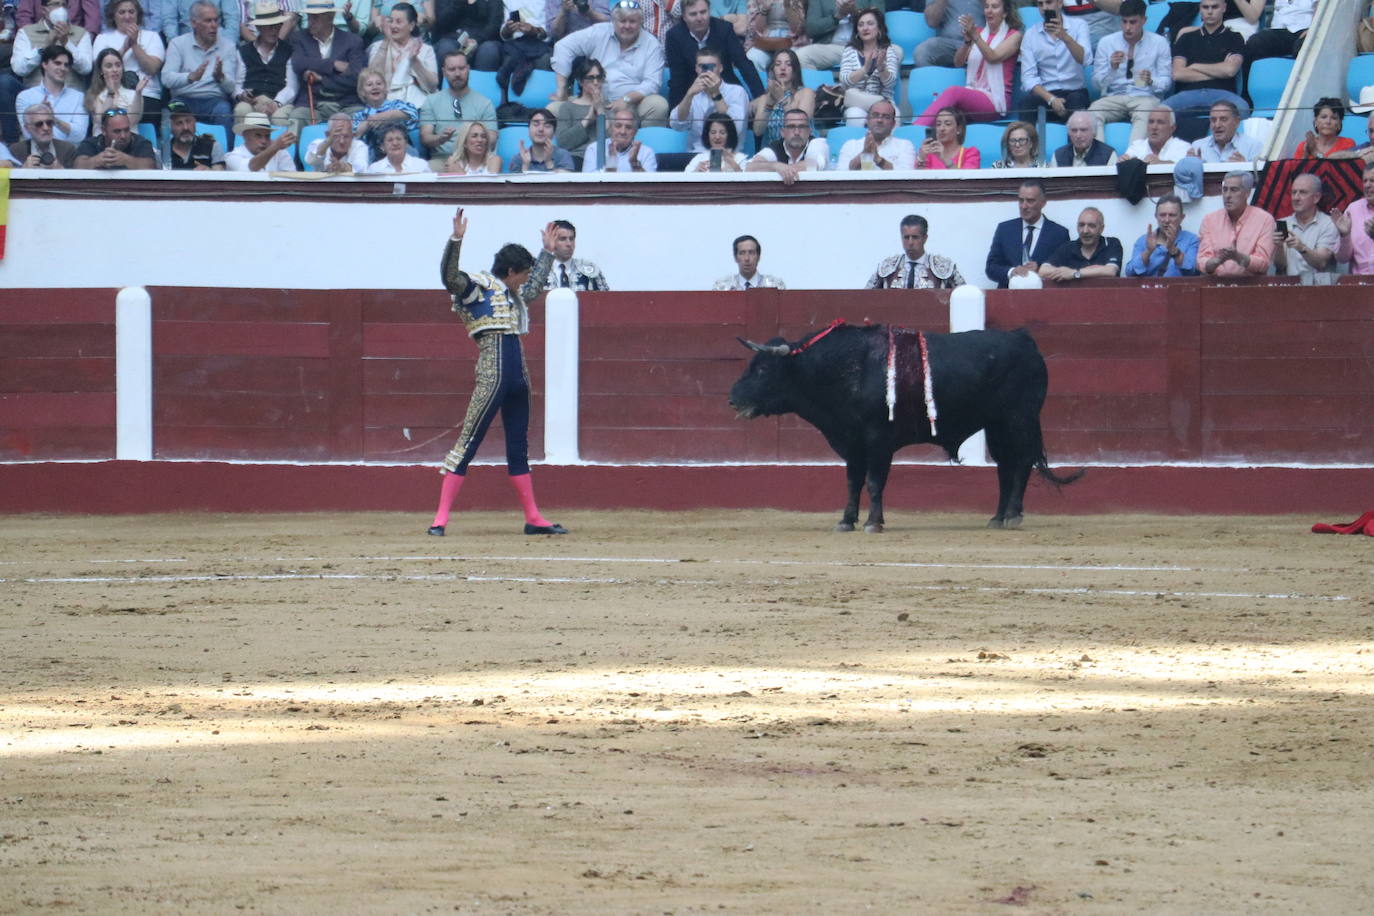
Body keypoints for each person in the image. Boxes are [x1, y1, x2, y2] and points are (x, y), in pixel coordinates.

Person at [428, 211, 569, 538]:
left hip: (517, 372)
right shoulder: (475, 287)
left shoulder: (515, 294)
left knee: (518, 446)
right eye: (523, 274)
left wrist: (547, 253)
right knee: (469, 441)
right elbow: (450, 277)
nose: (526, 281)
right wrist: (456, 241)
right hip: (492, 371)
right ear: (510, 272)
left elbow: (534, 287)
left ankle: (533, 517)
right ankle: (440, 519)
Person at [550, 0, 669, 127]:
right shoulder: (599, 31)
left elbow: (652, 83)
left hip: (632, 105)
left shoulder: (652, 45)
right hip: (592, 101)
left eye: (632, 21)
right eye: (622, 21)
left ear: (641, 22)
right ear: (613, 22)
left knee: (658, 104)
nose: (627, 26)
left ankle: (644, 146)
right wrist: (561, 89)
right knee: (553, 110)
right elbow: (563, 47)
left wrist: (626, 99)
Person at [912, 0, 1020, 126]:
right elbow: (958, 62)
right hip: (974, 93)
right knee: (948, 118)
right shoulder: (980, 33)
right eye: (986, 7)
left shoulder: (1014, 36)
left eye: (995, 7)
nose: (989, 11)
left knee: (953, 92)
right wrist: (967, 42)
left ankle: (918, 128)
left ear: (1005, 13)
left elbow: (992, 57)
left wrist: (975, 36)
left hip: (995, 101)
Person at [1087, 0, 1170, 142]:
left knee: (1145, 112)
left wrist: (1151, 81)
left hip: (1145, 96)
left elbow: (1167, 82)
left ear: (1144, 20)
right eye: (1124, 22)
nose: (1127, 27)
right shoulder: (1107, 42)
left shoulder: (1159, 43)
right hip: (1113, 96)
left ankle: (1132, 157)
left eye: (1133, 22)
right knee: (1092, 113)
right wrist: (1111, 69)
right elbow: (1096, 84)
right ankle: (1101, 158)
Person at [1164, 0, 1248, 136]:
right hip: (1187, 94)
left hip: (1223, 94)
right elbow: (1178, 74)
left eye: (1214, 7)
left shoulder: (1235, 37)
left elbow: (1230, 70)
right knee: (1160, 112)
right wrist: (1219, 70)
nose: (1209, 11)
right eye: (1205, 7)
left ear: (1224, 8)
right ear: (1200, 9)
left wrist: (1195, 66)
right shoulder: (1186, 38)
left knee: (1242, 108)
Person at [665, 0, 761, 106]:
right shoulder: (674, 36)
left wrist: (760, 97)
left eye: (703, 12)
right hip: (692, 92)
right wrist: (674, 113)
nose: (699, 18)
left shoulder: (724, 29)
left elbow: (744, 64)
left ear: (709, 11)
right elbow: (677, 79)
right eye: (693, 14)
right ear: (684, 17)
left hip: (725, 89)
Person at [288, 0, 367, 126]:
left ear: (330, 17)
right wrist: (333, 64)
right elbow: (299, 63)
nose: (310, 22)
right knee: (296, 117)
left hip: (346, 104)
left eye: (315, 18)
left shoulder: (353, 41)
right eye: (309, 17)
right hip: (312, 104)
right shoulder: (299, 38)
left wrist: (321, 79)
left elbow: (356, 78)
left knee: (361, 117)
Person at [163, 0, 241, 128]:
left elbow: (231, 88)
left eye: (216, 20)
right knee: (174, 109)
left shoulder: (228, 46)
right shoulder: (177, 44)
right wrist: (190, 77)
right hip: (183, 98)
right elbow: (166, 79)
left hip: (214, 101)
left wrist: (220, 77)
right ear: (194, 23)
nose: (214, 25)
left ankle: (227, 149)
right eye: (208, 21)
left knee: (224, 111)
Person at [985, 178, 1070, 287]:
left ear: (1043, 203)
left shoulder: (1059, 234)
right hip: (1008, 298)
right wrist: (1011, 271)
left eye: (1030, 201)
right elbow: (991, 267)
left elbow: (1064, 271)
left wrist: (1040, 269)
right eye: (1021, 200)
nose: (1024, 206)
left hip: (1045, 298)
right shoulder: (1005, 230)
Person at [91, 0, 165, 125]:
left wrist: (134, 45)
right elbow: (100, 69)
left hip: (147, 95)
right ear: (113, 16)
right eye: (122, 12)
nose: (127, 16)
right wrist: (124, 48)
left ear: (138, 15)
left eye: (131, 12)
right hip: (112, 95)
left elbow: (152, 68)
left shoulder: (152, 36)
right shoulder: (102, 39)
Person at [419, 50, 498, 167]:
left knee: (494, 162)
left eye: (461, 68)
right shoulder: (431, 101)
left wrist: (470, 143)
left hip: (475, 160)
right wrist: (441, 139)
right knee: (425, 169)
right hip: (442, 160)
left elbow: (492, 138)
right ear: (444, 72)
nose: (457, 74)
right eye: (452, 69)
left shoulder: (484, 103)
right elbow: (425, 138)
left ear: (468, 69)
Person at [1019, 0, 1090, 124]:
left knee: (1077, 100)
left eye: (1049, 2)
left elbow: (1085, 60)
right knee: (1026, 103)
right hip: (1046, 94)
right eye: (1040, 4)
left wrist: (1064, 36)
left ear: (1060, 3)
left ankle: (1074, 143)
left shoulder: (1079, 25)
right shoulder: (1031, 35)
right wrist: (1051, 99)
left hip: (1075, 91)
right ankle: (1028, 142)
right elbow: (1028, 78)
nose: (1044, 8)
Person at [233, 0, 297, 128]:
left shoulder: (289, 50)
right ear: (258, 27)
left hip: (279, 101)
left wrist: (276, 103)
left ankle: (281, 147)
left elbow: (292, 86)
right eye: (270, 26)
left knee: (279, 117)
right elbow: (237, 85)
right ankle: (243, 146)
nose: (274, 30)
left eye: (277, 25)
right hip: (253, 101)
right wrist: (242, 95)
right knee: (241, 109)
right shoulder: (243, 51)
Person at [1198, 169, 1274, 276]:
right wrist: (1218, 260)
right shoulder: (1210, 220)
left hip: (1251, 287)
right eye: (1225, 190)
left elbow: (1263, 263)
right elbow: (1202, 261)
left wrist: (1238, 257)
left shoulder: (1264, 220)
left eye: (1234, 190)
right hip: (1215, 286)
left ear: (1247, 193)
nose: (1227, 195)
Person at [671, 45, 747, 150]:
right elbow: (676, 124)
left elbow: (735, 129)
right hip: (696, 154)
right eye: (702, 66)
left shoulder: (737, 92)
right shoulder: (693, 93)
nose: (706, 71)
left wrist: (715, 93)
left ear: (720, 68)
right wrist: (689, 95)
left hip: (728, 154)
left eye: (711, 66)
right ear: (696, 69)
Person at [1272, 173, 1339, 285]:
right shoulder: (1283, 223)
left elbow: (1321, 263)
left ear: (1316, 197)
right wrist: (1279, 247)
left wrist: (1301, 247)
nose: (1296, 198)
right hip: (1288, 288)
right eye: (1294, 192)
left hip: (1319, 289)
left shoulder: (1328, 224)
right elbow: (1280, 267)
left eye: (1302, 192)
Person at [866, 214, 966, 289]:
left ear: (925, 238)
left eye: (915, 237)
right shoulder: (887, 267)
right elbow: (866, 297)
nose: (910, 242)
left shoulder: (944, 266)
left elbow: (964, 296)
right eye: (906, 237)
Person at [12, 0, 94, 90]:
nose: (61, 9)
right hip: (37, 98)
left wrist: (67, 43)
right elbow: (19, 69)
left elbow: (86, 68)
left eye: (64, 5)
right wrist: (44, 47)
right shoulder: (26, 32)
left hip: (71, 98)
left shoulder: (81, 33)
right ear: (44, 10)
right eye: (56, 4)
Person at [838, 7, 898, 128]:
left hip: (883, 102)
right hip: (857, 103)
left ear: (879, 28)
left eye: (870, 24)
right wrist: (865, 68)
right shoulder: (850, 51)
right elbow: (844, 79)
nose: (865, 28)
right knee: (855, 115)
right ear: (857, 31)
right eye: (861, 25)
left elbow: (891, 83)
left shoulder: (889, 51)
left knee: (895, 115)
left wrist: (881, 68)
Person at [1241, 0, 1313, 101]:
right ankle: (1248, 100)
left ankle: (1302, 97)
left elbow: (1322, 11)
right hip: (1279, 30)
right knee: (1255, 42)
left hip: (1305, 30)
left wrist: (1313, 29)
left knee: (1305, 45)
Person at [367, 1, 435, 106]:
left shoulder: (425, 50)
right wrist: (386, 42)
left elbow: (432, 86)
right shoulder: (377, 47)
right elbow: (371, 77)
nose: (393, 26)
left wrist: (415, 61)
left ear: (411, 25)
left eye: (398, 22)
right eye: (391, 21)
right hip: (384, 104)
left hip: (417, 104)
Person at [14, 44, 87, 141]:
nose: (62, 68)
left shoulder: (78, 97)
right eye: (57, 63)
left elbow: (79, 135)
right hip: (36, 153)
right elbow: (28, 134)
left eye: (66, 65)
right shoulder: (25, 97)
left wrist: (54, 120)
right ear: (44, 64)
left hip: (70, 153)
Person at [550, 55, 613, 164]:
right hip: (577, 158)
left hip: (606, 159)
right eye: (590, 78)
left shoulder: (610, 107)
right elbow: (563, 143)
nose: (596, 82)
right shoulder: (567, 107)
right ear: (580, 81)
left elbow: (615, 139)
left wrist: (601, 111)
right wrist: (588, 119)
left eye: (599, 77)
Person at [748, 47, 812, 148]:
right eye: (778, 64)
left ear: (795, 70)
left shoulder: (806, 93)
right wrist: (769, 104)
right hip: (774, 151)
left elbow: (799, 123)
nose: (782, 68)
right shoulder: (765, 98)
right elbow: (758, 131)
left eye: (788, 64)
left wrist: (782, 99)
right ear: (773, 70)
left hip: (801, 147)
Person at [1038, 207, 1123, 282]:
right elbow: (1043, 271)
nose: (1085, 231)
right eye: (1081, 225)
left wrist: (1074, 274)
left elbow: (1110, 271)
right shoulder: (1067, 248)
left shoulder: (1111, 244)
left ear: (1101, 228)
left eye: (1091, 226)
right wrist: (1092, 271)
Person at [351, 65, 418, 159]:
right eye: (369, 84)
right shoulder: (359, 115)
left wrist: (382, 116)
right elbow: (355, 135)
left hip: (403, 154)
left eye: (379, 83)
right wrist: (369, 122)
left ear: (385, 88)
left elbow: (412, 113)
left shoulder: (395, 105)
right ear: (362, 91)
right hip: (373, 157)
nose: (375, 87)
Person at [1124, 193, 1199, 276]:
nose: (1167, 220)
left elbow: (1193, 270)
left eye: (1172, 215)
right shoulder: (1143, 240)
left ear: (1182, 217)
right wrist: (1148, 252)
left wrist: (1174, 250)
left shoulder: (1191, 240)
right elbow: (1130, 272)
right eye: (1162, 215)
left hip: (1178, 288)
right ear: (1156, 216)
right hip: (1149, 288)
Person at [525, 218, 610, 292]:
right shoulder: (537, 269)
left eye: (571, 239)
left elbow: (605, 300)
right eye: (562, 239)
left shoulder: (589, 270)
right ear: (552, 240)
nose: (569, 244)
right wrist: (547, 250)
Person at [746, 106, 827, 181]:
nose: (796, 132)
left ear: (809, 131)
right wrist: (776, 166)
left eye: (801, 127)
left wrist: (785, 170)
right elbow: (750, 167)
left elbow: (813, 165)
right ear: (783, 132)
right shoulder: (775, 147)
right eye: (791, 127)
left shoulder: (818, 143)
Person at [836, 98, 913, 170]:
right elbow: (841, 175)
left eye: (886, 117)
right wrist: (864, 153)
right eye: (875, 115)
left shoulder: (904, 146)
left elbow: (907, 176)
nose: (879, 120)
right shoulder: (851, 146)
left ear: (893, 123)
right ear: (867, 120)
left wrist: (879, 160)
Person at [582, 100, 657, 170]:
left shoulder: (646, 152)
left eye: (628, 127)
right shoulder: (594, 149)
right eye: (618, 126)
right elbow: (590, 183)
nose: (622, 131)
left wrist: (634, 164)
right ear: (611, 128)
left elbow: (649, 183)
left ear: (635, 132)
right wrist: (612, 161)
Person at [73, 106, 157, 167]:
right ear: (103, 130)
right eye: (117, 131)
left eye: (126, 130)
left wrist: (126, 160)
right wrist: (96, 160)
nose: (123, 136)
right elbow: (77, 165)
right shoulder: (91, 143)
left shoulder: (141, 142)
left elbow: (151, 165)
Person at [85, 45, 148, 124]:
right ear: (101, 71)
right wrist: (110, 93)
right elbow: (101, 120)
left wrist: (138, 93)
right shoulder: (95, 95)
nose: (115, 70)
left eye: (118, 65)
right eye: (109, 66)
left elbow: (132, 121)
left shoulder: (134, 95)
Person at [431, 0, 501, 68]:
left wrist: (477, 40)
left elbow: (494, 24)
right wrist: (459, 2)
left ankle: (480, 79)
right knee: (446, 48)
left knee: (489, 50)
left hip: (483, 39)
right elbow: (441, 22)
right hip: (452, 37)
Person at [915, 0, 984, 68]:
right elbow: (931, 22)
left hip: (979, 41)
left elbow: (993, 13)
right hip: (948, 43)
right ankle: (935, 79)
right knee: (922, 52)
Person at [742, 0, 805, 73]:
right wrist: (764, 9)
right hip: (767, 41)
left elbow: (795, 28)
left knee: (797, 57)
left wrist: (788, 8)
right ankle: (760, 84)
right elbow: (759, 29)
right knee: (753, 57)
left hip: (790, 41)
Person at [1187, 98, 1259, 161]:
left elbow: (1259, 176)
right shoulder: (1198, 146)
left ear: (1236, 122)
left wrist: (1244, 166)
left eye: (1223, 119)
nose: (1217, 125)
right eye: (1213, 120)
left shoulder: (1252, 147)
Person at [1335, 161, 1374, 275]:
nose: (1367, 185)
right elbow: (1342, 259)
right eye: (1365, 181)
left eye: (1372, 181)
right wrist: (1345, 236)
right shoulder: (1353, 209)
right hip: (1360, 285)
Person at [163, 97, 227, 166]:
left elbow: (219, 174)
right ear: (170, 127)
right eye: (179, 123)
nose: (185, 127)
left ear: (195, 122)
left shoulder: (212, 146)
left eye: (188, 121)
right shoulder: (163, 152)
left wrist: (209, 172)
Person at [9, 101, 78, 166]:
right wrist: (23, 171)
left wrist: (60, 170)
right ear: (27, 128)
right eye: (39, 124)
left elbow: (76, 177)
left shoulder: (68, 149)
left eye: (49, 123)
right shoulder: (15, 151)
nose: (46, 128)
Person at [508, 106, 575, 171]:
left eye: (547, 126)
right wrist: (526, 166)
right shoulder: (519, 159)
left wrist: (548, 162)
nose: (540, 129)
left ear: (554, 133)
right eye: (536, 124)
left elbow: (565, 181)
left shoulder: (563, 155)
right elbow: (514, 182)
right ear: (528, 130)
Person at [795, 0, 855, 71]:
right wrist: (837, 17)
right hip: (832, 48)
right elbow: (811, 29)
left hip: (861, 46)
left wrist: (855, 12)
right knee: (802, 56)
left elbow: (870, 17)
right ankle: (819, 82)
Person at [225, 109, 297, 167]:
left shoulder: (280, 152)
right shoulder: (233, 157)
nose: (264, 141)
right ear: (245, 135)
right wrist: (276, 146)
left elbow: (292, 180)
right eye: (258, 135)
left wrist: (276, 148)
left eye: (267, 136)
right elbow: (250, 168)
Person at [304, 108, 370, 168]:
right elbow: (310, 160)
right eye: (336, 136)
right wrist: (328, 141)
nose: (342, 141)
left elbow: (361, 168)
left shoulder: (360, 146)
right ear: (327, 135)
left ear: (353, 136)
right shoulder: (316, 143)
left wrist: (341, 167)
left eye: (346, 136)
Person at [713, 234, 785, 288]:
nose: (747, 258)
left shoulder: (775, 286)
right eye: (742, 253)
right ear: (735, 257)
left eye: (751, 252)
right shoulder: (723, 287)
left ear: (759, 257)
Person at [1120, 105, 1188, 162]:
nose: (1154, 127)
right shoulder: (1136, 146)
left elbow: (1182, 168)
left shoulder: (1183, 148)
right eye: (1151, 122)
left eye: (1160, 122)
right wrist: (1122, 162)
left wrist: (1160, 164)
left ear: (1172, 128)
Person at [1049, 109, 1116, 166]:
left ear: (1094, 132)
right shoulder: (1058, 155)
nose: (1078, 135)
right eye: (1074, 130)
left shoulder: (1108, 155)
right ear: (1068, 133)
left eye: (1083, 130)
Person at [161, 0, 240, 43]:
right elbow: (169, 20)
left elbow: (231, 18)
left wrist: (229, 44)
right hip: (187, 42)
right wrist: (176, 45)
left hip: (219, 40)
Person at [363, 118, 429, 169]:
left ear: (406, 143)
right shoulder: (375, 169)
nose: (395, 143)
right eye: (390, 140)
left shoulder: (421, 166)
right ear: (382, 147)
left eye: (399, 139)